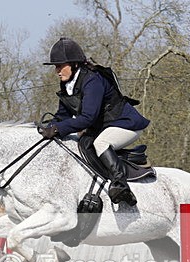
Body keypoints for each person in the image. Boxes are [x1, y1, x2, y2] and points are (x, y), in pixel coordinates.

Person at [38, 37, 150, 206]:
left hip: (126, 124)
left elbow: (87, 118)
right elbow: (62, 116)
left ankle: (120, 186)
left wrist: (57, 128)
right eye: (56, 66)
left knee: (101, 142)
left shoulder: (92, 80)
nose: (57, 70)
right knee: (81, 143)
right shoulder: (68, 85)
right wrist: (48, 127)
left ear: (74, 64)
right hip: (105, 126)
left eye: (60, 66)